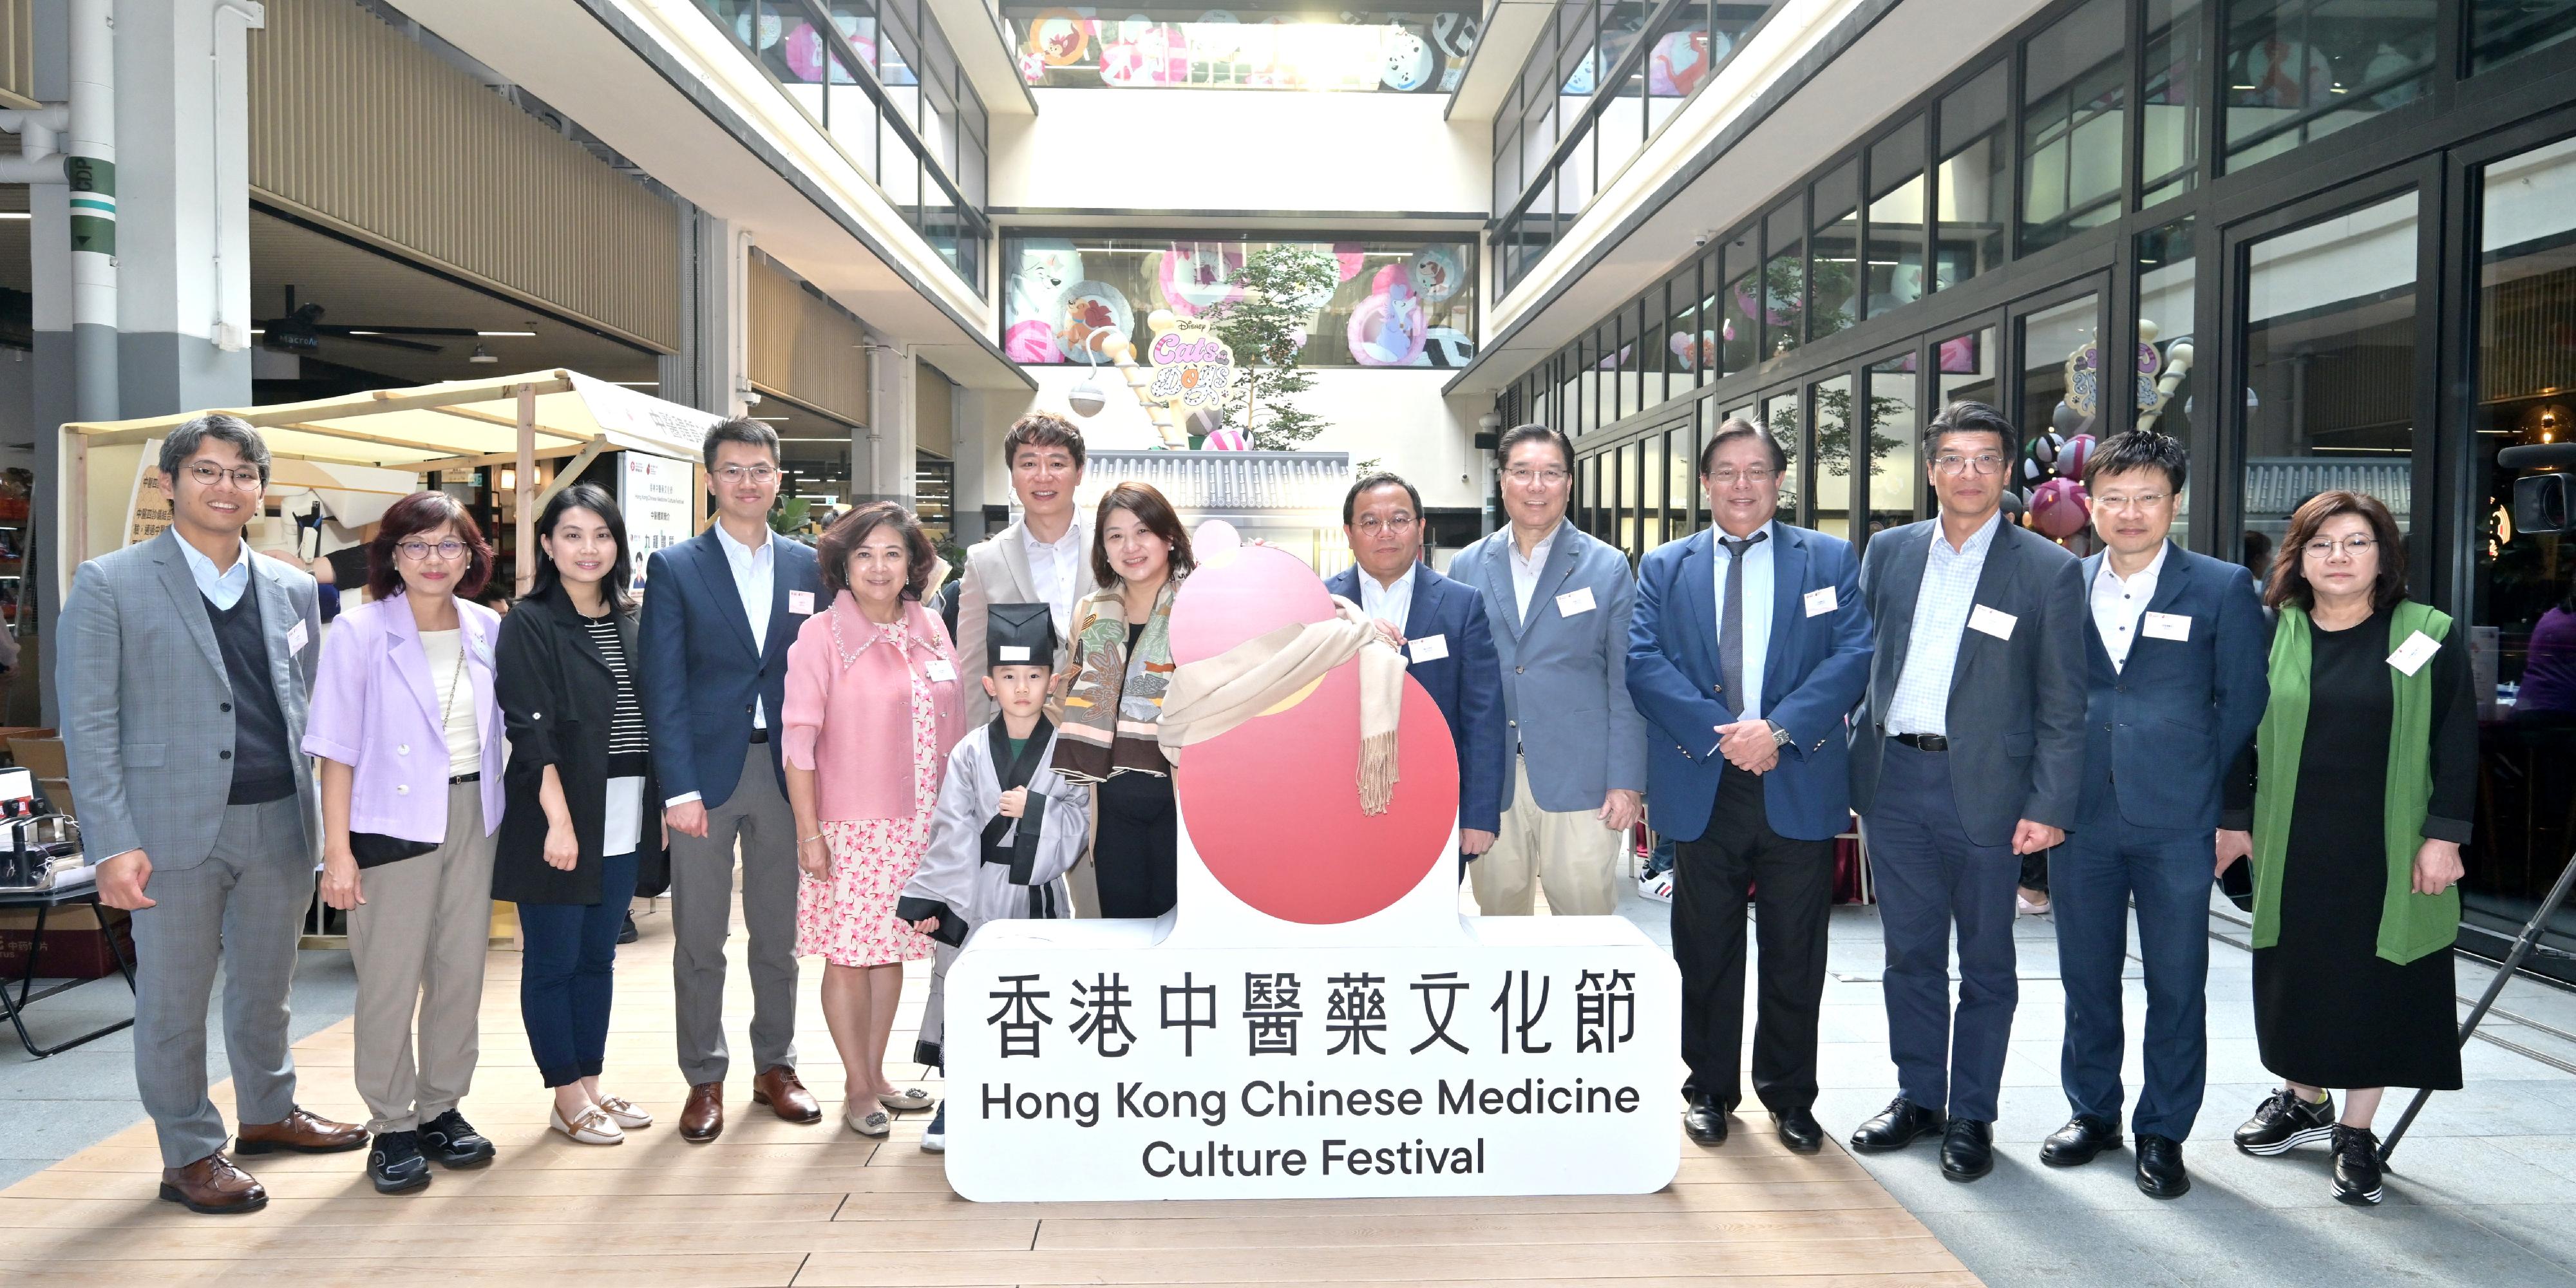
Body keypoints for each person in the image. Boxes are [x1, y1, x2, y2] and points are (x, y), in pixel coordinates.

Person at [60, 415, 365, 1215]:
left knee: (268, 985)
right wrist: (112, 841)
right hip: (168, 830)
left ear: (261, 490)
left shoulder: (294, 585)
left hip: (279, 818)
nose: (226, 486)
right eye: (207, 470)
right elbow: (88, 722)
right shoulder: (110, 581)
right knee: (175, 998)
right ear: (170, 483)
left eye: (242, 472)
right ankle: (189, 1150)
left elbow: (308, 702)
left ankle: (268, 1112)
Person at [1845, 400, 2087, 1182]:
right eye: (1953, 457)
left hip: (1988, 791)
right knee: (1908, 954)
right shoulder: (1887, 551)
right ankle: (1920, 1095)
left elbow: (2062, 703)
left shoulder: (2047, 569)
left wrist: (2048, 805)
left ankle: (1972, 1113)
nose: (1969, 473)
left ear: (2008, 470)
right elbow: (1861, 657)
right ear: (1930, 468)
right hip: (1894, 782)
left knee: (1985, 964)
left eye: (1985, 458)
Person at [1626, 417, 1873, 1154]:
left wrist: (1777, 730)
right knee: (1704, 947)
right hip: (1704, 776)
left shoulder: (1828, 558)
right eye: (1726, 471)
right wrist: (1726, 733)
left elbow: (1853, 655)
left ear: (1779, 480)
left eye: (1756, 470)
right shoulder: (1664, 566)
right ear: (1704, 484)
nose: (1742, 484)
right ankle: (1707, 1088)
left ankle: (1790, 1096)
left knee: (1797, 949)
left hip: (1794, 771)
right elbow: (1643, 661)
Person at [2219, 489, 2471, 1207]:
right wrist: (2232, 817)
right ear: (2298, 555)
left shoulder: (2424, 632)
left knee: (2376, 984)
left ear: (2382, 554)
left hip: (2389, 847)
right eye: (2322, 542)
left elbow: (2455, 740)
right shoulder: (2273, 633)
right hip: (2292, 841)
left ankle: (2356, 1133)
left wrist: (2444, 836)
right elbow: (2235, 731)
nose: (2339, 556)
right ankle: (2304, 1098)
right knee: (2296, 976)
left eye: (2356, 541)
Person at [2041, 431, 2269, 1198]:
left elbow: (2244, 704)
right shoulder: (2061, 584)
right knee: (2086, 975)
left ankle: (2163, 1128)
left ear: (2173, 502)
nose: (2129, 512)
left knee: (2177, 979)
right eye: (2114, 497)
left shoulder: (2221, 585)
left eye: (2147, 497)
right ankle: (2092, 1109)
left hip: (2178, 816)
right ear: (2090, 503)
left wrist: (2227, 809)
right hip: (2081, 813)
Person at [305, 491, 508, 1195]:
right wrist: (337, 851)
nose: (433, 559)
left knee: (460, 972)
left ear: (470, 556)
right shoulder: (359, 632)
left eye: (449, 545)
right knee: (390, 978)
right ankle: (391, 1123)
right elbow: (334, 750)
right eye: (417, 545)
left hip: (472, 814)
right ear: (392, 555)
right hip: (389, 823)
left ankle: (440, 1108)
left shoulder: (487, 627)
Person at [638, 418, 828, 1143]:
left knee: (778, 933)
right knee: (700, 936)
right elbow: (663, 684)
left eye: (761, 468)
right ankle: (704, 1075)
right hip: (705, 779)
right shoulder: (677, 567)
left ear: (779, 479)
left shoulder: (809, 567)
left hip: (786, 774)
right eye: (732, 469)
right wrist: (677, 786)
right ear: (711, 479)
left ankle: (775, 1064)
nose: (748, 481)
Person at [781, 502, 965, 1136]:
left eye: (892, 553)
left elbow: (957, 724)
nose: (879, 566)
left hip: (924, 824)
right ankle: (857, 1083)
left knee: (890, 953)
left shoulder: (932, 626)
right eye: (865, 554)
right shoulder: (820, 636)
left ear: (912, 561)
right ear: (843, 564)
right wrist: (810, 833)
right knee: (849, 955)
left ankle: (880, 1072)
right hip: (851, 827)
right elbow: (798, 741)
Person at [493, 484, 668, 1146]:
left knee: (599, 957)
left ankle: (590, 1085)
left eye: (600, 534)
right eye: (571, 534)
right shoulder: (529, 621)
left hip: (624, 808)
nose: (587, 548)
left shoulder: (633, 616)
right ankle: (565, 1093)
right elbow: (530, 731)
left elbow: (652, 722)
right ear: (546, 544)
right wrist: (559, 822)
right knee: (554, 960)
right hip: (560, 813)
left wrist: (655, 807)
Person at [896, 602, 1093, 1154]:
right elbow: (951, 826)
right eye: (1010, 678)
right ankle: (960, 1100)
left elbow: (1078, 821)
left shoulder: (1067, 749)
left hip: (1037, 891)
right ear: (990, 683)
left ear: (1052, 682)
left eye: (1034, 677)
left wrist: (1035, 812)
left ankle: (1033, 1096)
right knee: (967, 989)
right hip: (976, 890)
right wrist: (941, 900)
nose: (1023, 688)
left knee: (1034, 995)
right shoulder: (968, 752)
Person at [1447, 424, 1646, 916]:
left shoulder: (1607, 566)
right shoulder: (1468, 566)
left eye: (1551, 473)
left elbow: (1626, 681)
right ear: (1502, 480)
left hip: (1582, 781)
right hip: (1493, 781)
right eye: (1523, 472)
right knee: (1499, 922)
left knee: (1585, 926)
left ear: (1569, 484)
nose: (1537, 486)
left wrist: (1627, 780)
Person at [1326, 471, 1505, 875]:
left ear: (1420, 528)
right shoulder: (1320, 604)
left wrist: (1478, 815)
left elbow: (1483, 718)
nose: (1385, 532)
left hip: (1434, 801)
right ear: (1349, 533)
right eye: (1370, 522)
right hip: (1335, 799)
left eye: (1400, 520)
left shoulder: (1461, 605)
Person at [955, 413, 1095, 911]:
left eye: (1057, 463)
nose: (1043, 476)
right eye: (1028, 463)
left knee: (1105, 901)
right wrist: (977, 770)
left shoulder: (1115, 545)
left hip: (1106, 747)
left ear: (1079, 472)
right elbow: (974, 669)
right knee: (1025, 900)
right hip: (1022, 755)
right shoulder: (986, 560)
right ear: (1012, 475)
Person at [1054, 482, 1195, 918]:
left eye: (1142, 532)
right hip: (1111, 805)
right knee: (1124, 941)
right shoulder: (1090, 611)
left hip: (1184, 802)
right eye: (1115, 536)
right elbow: (1069, 698)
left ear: (1168, 537)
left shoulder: (1201, 603)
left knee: (1183, 943)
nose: (1130, 547)